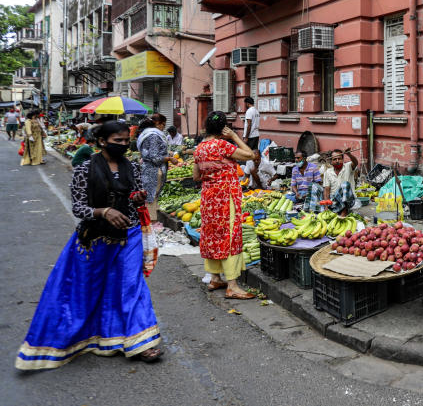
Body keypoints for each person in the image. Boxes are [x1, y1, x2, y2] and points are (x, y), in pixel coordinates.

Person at [15, 121, 163, 369]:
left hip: (130, 234)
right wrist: (104, 212)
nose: (124, 145)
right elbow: (79, 207)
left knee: (131, 285)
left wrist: (136, 198)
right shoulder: (85, 169)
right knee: (87, 290)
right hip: (95, 239)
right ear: (103, 141)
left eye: (127, 141)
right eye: (118, 141)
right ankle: (86, 336)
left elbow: (135, 194)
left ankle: (141, 342)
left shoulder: (133, 167)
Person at [192, 111, 257, 299]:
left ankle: (215, 277)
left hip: (208, 198)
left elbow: (196, 176)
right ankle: (232, 286)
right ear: (223, 128)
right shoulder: (222, 145)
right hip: (225, 198)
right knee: (230, 237)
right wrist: (235, 136)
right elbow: (250, 155)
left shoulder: (200, 148)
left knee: (212, 236)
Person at [136, 118, 169, 223]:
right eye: (162, 125)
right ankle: (151, 225)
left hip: (148, 169)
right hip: (154, 170)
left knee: (150, 196)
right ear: (156, 124)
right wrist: (169, 158)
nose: (163, 128)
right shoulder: (153, 136)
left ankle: (149, 224)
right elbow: (155, 158)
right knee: (151, 197)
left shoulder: (144, 135)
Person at [323, 148, 358, 216]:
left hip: (349, 200)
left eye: (339, 159)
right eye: (334, 159)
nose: (337, 161)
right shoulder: (328, 172)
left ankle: (344, 212)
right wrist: (326, 207)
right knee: (314, 186)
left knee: (345, 184)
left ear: (343, 160)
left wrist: (349, 154)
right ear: (331, 161)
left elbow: (355, 163)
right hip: (334, 200)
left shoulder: (348, 166)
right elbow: (327, 190)